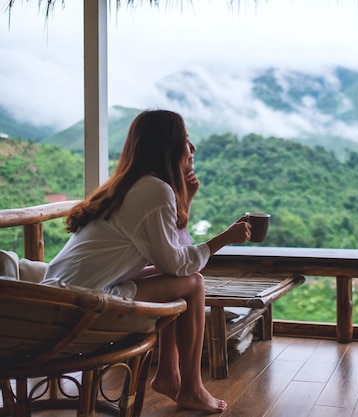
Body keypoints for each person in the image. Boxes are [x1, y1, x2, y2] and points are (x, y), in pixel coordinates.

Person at [41, 109, 251, 414]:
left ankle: (169, 373)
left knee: (181, 281)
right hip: (79, 305)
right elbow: (179, 265)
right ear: (168, 146)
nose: (192, 149)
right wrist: (225, 238)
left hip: (64, 293)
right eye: (186, 141)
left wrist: (186, 202)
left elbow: (168, 256)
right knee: (193, 283)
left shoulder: (135, 184)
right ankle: (190, 387)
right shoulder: (155, 190)